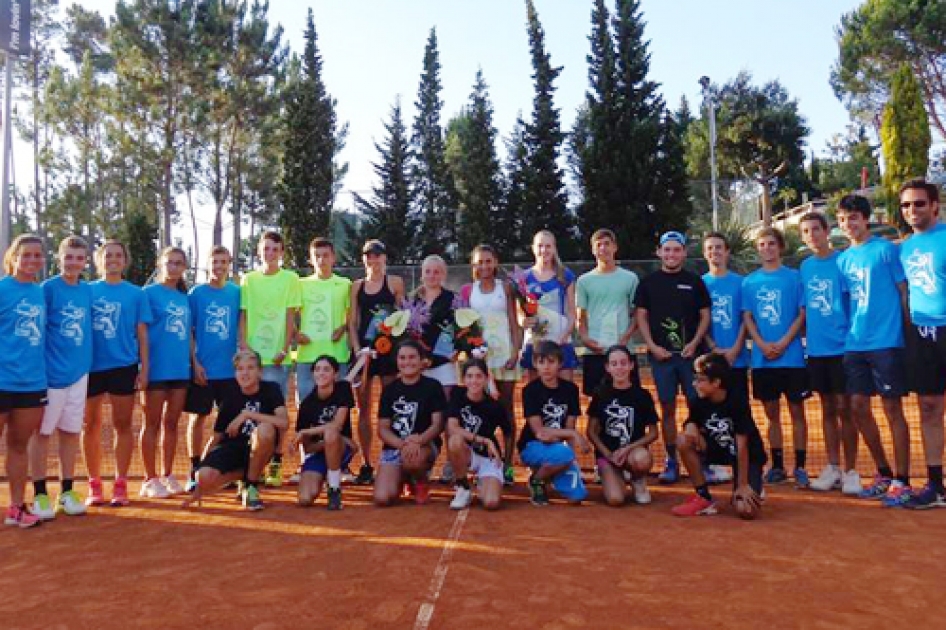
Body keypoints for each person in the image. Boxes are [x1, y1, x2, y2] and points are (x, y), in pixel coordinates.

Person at [836, 194, 912, 506]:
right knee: (857, 407)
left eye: (853, 218)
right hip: (856, 344)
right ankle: (883, 472)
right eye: (842, 219)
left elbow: (903, 292)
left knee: (893, 409)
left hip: (887, 343)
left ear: (866, 219)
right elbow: (846, 302)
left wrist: (908, 335)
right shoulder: (842, 260)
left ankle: (902, 480)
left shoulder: (885, 250)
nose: (848, 224)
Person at [634, 231, 711, 484]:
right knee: (667, 408)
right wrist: (653, 346)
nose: (671, 254)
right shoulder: (648, 283)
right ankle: (671, 461)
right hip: (662, 358)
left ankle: (701, 461)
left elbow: (705, 316)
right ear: (659, 252)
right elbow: (641, 317)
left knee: (696, 409)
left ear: (684, 253)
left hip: (691, 358)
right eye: (667, 250)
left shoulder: (695, 281)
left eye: (676, 250)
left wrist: (694, 343)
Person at [83, 240, 153, 508]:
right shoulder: (86, 291)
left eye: (118, 255)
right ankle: (94, 484)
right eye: (107, 255)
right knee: (90, 425)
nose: (113, 259)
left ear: (125, 261)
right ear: (99, 260)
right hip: (90, 367)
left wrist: (144, 369)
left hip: (124, 366)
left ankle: (120, 484)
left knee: (123, 425)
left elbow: (142, 334)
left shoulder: (136, 294)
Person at [30, 236, 93, 520]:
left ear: (86, 262)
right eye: (69, 257)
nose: (73, 263)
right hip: (51, 376)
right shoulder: (47, 290)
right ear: (59, 258)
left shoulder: (86, 291)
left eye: (79, 258)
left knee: (70, 434)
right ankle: (41, 495)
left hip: (79, 375)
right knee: (42, 435)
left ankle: (66, 492)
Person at [741, 228, 809, 487]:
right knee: (772, 415)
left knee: (797, 412)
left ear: (780, 247)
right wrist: (760, 344)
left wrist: (783, 342)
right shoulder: (750, 282)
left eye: (771, 244)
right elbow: (747, 317)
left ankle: (800, 467)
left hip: (791, 357)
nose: (767, 248)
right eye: (762, 244)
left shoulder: (794, 278)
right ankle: (777, 465)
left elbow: (801, 314)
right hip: (762, 359)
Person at [799, 213, 861, 494]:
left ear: (827, 231)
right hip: (816, 349)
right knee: (826, 408)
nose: (812, 235)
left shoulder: (844, 261)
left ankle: (851, 470)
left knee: (845, 408)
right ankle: (832, 467)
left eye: (816, 229)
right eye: (806, 231)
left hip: (843, 348)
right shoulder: (805, 267)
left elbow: (856, 302)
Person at [183, 350, 288, 511]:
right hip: (233, 449)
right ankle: (245, 478)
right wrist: (200, 479)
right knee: (203, 476)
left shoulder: (271, 389)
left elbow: (283, 423)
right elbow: (216, 437)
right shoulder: (229, 395)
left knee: (265, 430)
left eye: (250, 368)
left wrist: (247, 415)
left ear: (260, 371)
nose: (245, 373)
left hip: (260, 449)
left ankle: (251, 487)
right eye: (240, 369)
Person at [898, 178, 946, 509]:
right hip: (922, 335)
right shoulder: (905, 248)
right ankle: (935, 486)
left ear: (934, 206)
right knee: (929, 407)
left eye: (918, 203)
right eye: (906, 205)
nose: (912, 210)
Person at [239, 230, 301, 487]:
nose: (270, 254)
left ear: (282, 253)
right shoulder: (248, 280)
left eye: (275, 249)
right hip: (253, 358)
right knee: (252, 410)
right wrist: (244, 347)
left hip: (277, 360)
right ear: (259, 252)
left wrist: (285, 349)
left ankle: (275, 462)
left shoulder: (290, 279)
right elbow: (243, 315)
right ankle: (250, 462)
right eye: (266, 249)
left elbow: (290, 317)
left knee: (277, 411)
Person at [672, 353, 767, 518]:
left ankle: (753, 481)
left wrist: (743, 484)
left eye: (700, 380)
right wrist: (691, 427)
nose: (694, 384)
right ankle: (703, 497)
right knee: (683, 440)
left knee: (746, 511)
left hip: (747, 456)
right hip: (718, 449)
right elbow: (691, 420)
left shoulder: (737, 401)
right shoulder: (698, 400)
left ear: (716, 383)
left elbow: (742, 445)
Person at [462, 244, 521, 485]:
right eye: (479, 262)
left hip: (504, 356)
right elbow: (464, 326)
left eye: (488, 261)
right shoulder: (468, 290)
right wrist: (473, 352)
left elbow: (514, 322)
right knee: (477, 411)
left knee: (506, 411)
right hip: (479, 360)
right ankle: (481, 462)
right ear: (473, 266)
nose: (484, 266)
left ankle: (507, 465)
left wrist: (516, 351)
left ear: (495, 262)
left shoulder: (505, 288)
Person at [348, 239, 406, 486]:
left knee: (391, 405)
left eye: (377, 256)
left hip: (388, 354)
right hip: (363, 355)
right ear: (364, 259)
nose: (373, 260)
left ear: (384, 258)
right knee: (363, 409)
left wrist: (396, 345)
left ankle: (390, 456)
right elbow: (353, 321)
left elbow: (404, 317)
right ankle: (366, 463)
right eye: (368, 256)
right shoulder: (357, 286)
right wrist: (358, 349)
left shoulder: (394, 283)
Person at [183, 246, 241, 492]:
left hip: (230, 372)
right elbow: (189, 331)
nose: (219, 266)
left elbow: (242, 325)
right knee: (197, 418)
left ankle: (220, 466)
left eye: (223, 262)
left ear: (229, 264)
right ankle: (194, 469)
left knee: (228, 423)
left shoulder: (237, 293)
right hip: (204, 370)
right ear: (208, 264)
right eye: (215, 262)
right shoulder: (197, 293)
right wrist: (195, 363)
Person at [1, 234, 47, 528]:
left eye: (37, 255)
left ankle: (16, 508)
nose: (32, 260)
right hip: (1, 380)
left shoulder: (41, 293)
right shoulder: (2, 289)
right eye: (26, 255)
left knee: (19, 445)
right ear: (13, 257)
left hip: (32, 382)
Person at [140, 246, 193, 498]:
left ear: (184, 268)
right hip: (155, 370)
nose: (173, 267)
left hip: (179, 369)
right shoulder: (148, 294)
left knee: (171, 423)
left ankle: (168, 473)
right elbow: (139, 332)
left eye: (178, 263)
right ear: (160, 264)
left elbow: (189, 336)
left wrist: (194, 363)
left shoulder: (185, 297)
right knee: (151, 423)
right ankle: (149, 479)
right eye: (169, 262)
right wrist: (143, 367)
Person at [374, 340, 447, 506]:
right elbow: (383, 429)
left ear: (422, 361)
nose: (407, 362)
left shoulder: (433, 387)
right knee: (382, 498)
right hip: (396, 446)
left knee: (413, 460)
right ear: (397, 361)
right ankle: (402, 478)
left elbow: (437, 424)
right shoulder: (390, 390)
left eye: (412, 357)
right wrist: (402, 444)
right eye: (403, 358)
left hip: (423, 446)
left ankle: (419, 480)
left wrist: (419, 440)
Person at [518, 340, 590, 506]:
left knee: (577, 496)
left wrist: (570, 457)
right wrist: (571, 437)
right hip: (531, 445)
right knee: (563, 454)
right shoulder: (530, 390)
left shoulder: (571, 389)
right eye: (541, 362)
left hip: (558, 449)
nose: (546, 367)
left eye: (551, 361)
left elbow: (570, 425)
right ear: (535, 364)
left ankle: (548, 472)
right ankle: (537, 480)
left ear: (560, 364)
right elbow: (540, 433)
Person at [585, 345, 658, 506]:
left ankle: (637, 479)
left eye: (624, 363)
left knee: (642, 459)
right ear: (608, 367)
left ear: (631, 365)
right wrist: (608, 454)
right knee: (616, 499)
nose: (619, 368)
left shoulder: (643, 395)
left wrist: (627, 449)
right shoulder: (600, 394)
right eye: (614, 364)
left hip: (633, 453)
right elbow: (591, 432)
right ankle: (615, 475)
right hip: (607, 455)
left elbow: (653, 433)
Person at [577, 228, 639, 397]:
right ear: (593, 250)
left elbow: (638, 314)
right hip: (595, 351)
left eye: (607, 244)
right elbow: (580, 317)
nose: (603, 248)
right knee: (596, 403)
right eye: (599, 245)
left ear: (615, 247)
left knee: (629, 398)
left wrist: (625, 338)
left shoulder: (630, 278)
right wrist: (585, 339)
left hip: (624, 351)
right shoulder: (584, 281)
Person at [445, 358, 513, 510]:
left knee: (491, 503)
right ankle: (463, 487)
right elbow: (452, 428)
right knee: (455, 440)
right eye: (469, 376)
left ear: (486, 379)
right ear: (464, 379)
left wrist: (507, 464)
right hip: (466, 453)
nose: (474, 381)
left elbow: (508, 433)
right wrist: (483, 440)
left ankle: (484, 482)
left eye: (478, 376)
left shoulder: (495, 406)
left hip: (487, 457)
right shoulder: (457, 395)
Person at [293, 356, 358, 511]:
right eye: (317, 369)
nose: (321, 373)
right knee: (305, 498)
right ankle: (323, 475)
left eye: (326, 369)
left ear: (335, 374)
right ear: (313, 374)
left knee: (331, 434)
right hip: (319, 452)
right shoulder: (307, 404)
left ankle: (334, 488)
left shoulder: (342, 388)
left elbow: (336, 426)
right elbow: (308, 448)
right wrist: (325, 445)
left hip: (341, 447)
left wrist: (306, 431)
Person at [519, 230, 578, 381]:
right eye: (540, 246)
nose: (544, 250)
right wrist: (523, 321)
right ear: (533, 248)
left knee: (566, 391)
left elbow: (572, 312)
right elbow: (519, 312)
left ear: (554, 248)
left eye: (548, 246)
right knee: (536, 393)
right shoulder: (523, 278)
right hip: (535, 342)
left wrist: (563, 337)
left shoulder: (565, 275)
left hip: (560, 340)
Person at [701, 232, 749, 407]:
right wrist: (714, 348)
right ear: (704, 253)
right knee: (712, 414)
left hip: (737, 359)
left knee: (739, 409)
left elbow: (746, 318)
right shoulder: (700, 283)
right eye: (710, 248)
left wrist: (735, 350)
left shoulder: (741, 282)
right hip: (709, 361)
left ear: (727, 251)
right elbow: (698, 321)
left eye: (719, 247)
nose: (715, 251)